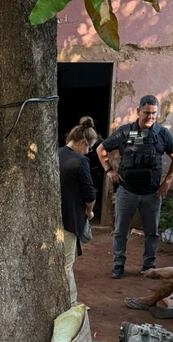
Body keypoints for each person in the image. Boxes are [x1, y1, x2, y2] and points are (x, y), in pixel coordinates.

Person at [97, 95, 173, 277]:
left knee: (152, 232)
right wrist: (109, 171)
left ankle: (148, 266)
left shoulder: (162, 134)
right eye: (147, 113)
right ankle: (118, 265)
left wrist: (167, 182)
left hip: (152, 193)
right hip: (127, 191)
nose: (150, 117)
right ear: (138, 111)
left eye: (154, 113)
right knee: (121, 231)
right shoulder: (125, 132)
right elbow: (101, 149)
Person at [59, 118, 97, 305]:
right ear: (82, 142)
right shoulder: (80, 161)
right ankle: (71, 304)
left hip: (50, 219)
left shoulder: (55, 154)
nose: (88, 151)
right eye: (88, 147)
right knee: (66, 265)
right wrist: (89, 212)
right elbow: (89, 194)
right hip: (70, 219)